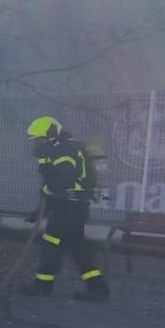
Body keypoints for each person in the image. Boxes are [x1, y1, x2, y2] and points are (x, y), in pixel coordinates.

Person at [20, 116, 109, 301]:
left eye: (39, 139)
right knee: (78, 248)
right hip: (73, 206)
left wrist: (45, 190)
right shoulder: (63, 148)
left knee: (51, 243)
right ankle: (98, 288)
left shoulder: (63, 151)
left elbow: (64, 180)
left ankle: (42, 286)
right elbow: (59, 187)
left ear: (51, 135)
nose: (37, 143)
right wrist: (40, 212)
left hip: (69, 207)